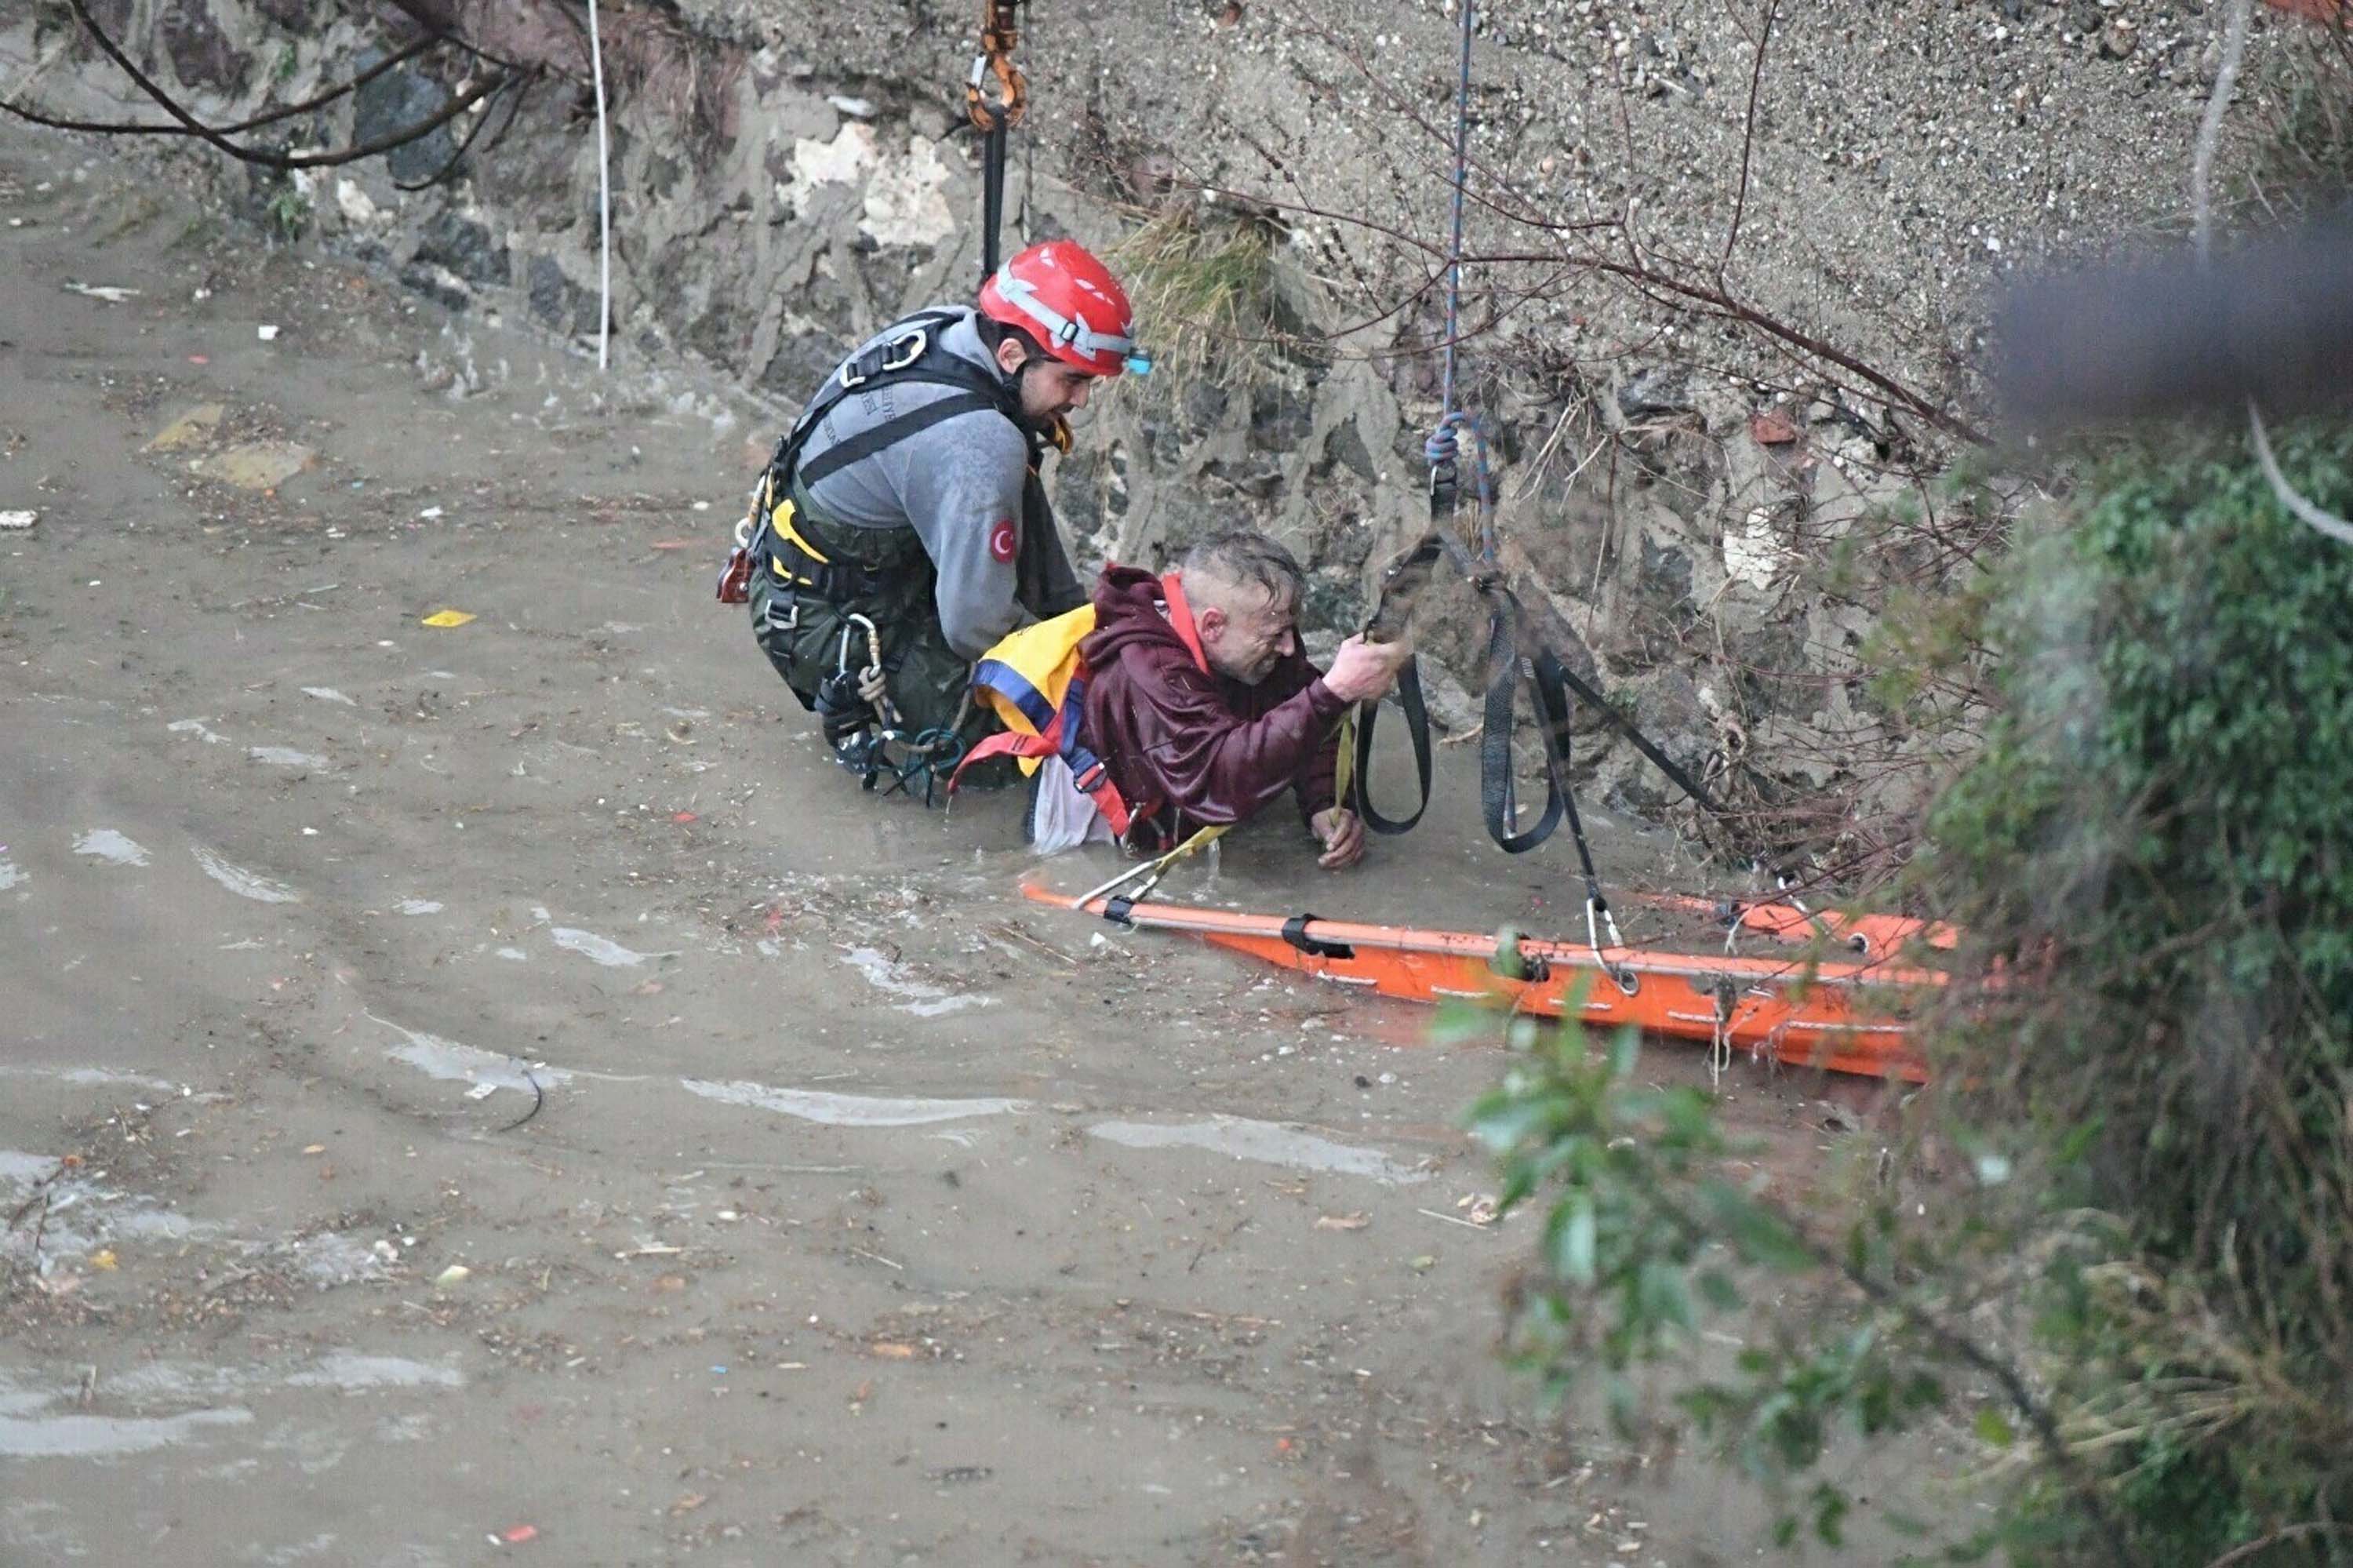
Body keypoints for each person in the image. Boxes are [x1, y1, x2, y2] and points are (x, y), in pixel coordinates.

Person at [729, 239, 1139, 778]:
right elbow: (974, 627)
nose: (1082, 400)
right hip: (818, 617)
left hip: (832, 559)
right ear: (1011, 355)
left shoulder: (951, 332)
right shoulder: (980, 441)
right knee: (1018, 758)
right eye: (1073, 379)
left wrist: (1070, 629)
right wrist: (1071, 680)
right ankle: (872, 711)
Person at [1078, 531, 1412, 868]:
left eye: (1290, 629)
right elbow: (1216, 786)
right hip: (1088, 821)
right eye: (1275, 635)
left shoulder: (1257, 636)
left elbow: (1304, 708)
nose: (1289, 648)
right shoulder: (1153, 673)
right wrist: (1334, 691)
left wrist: (1324, 801)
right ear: (1212, 625)